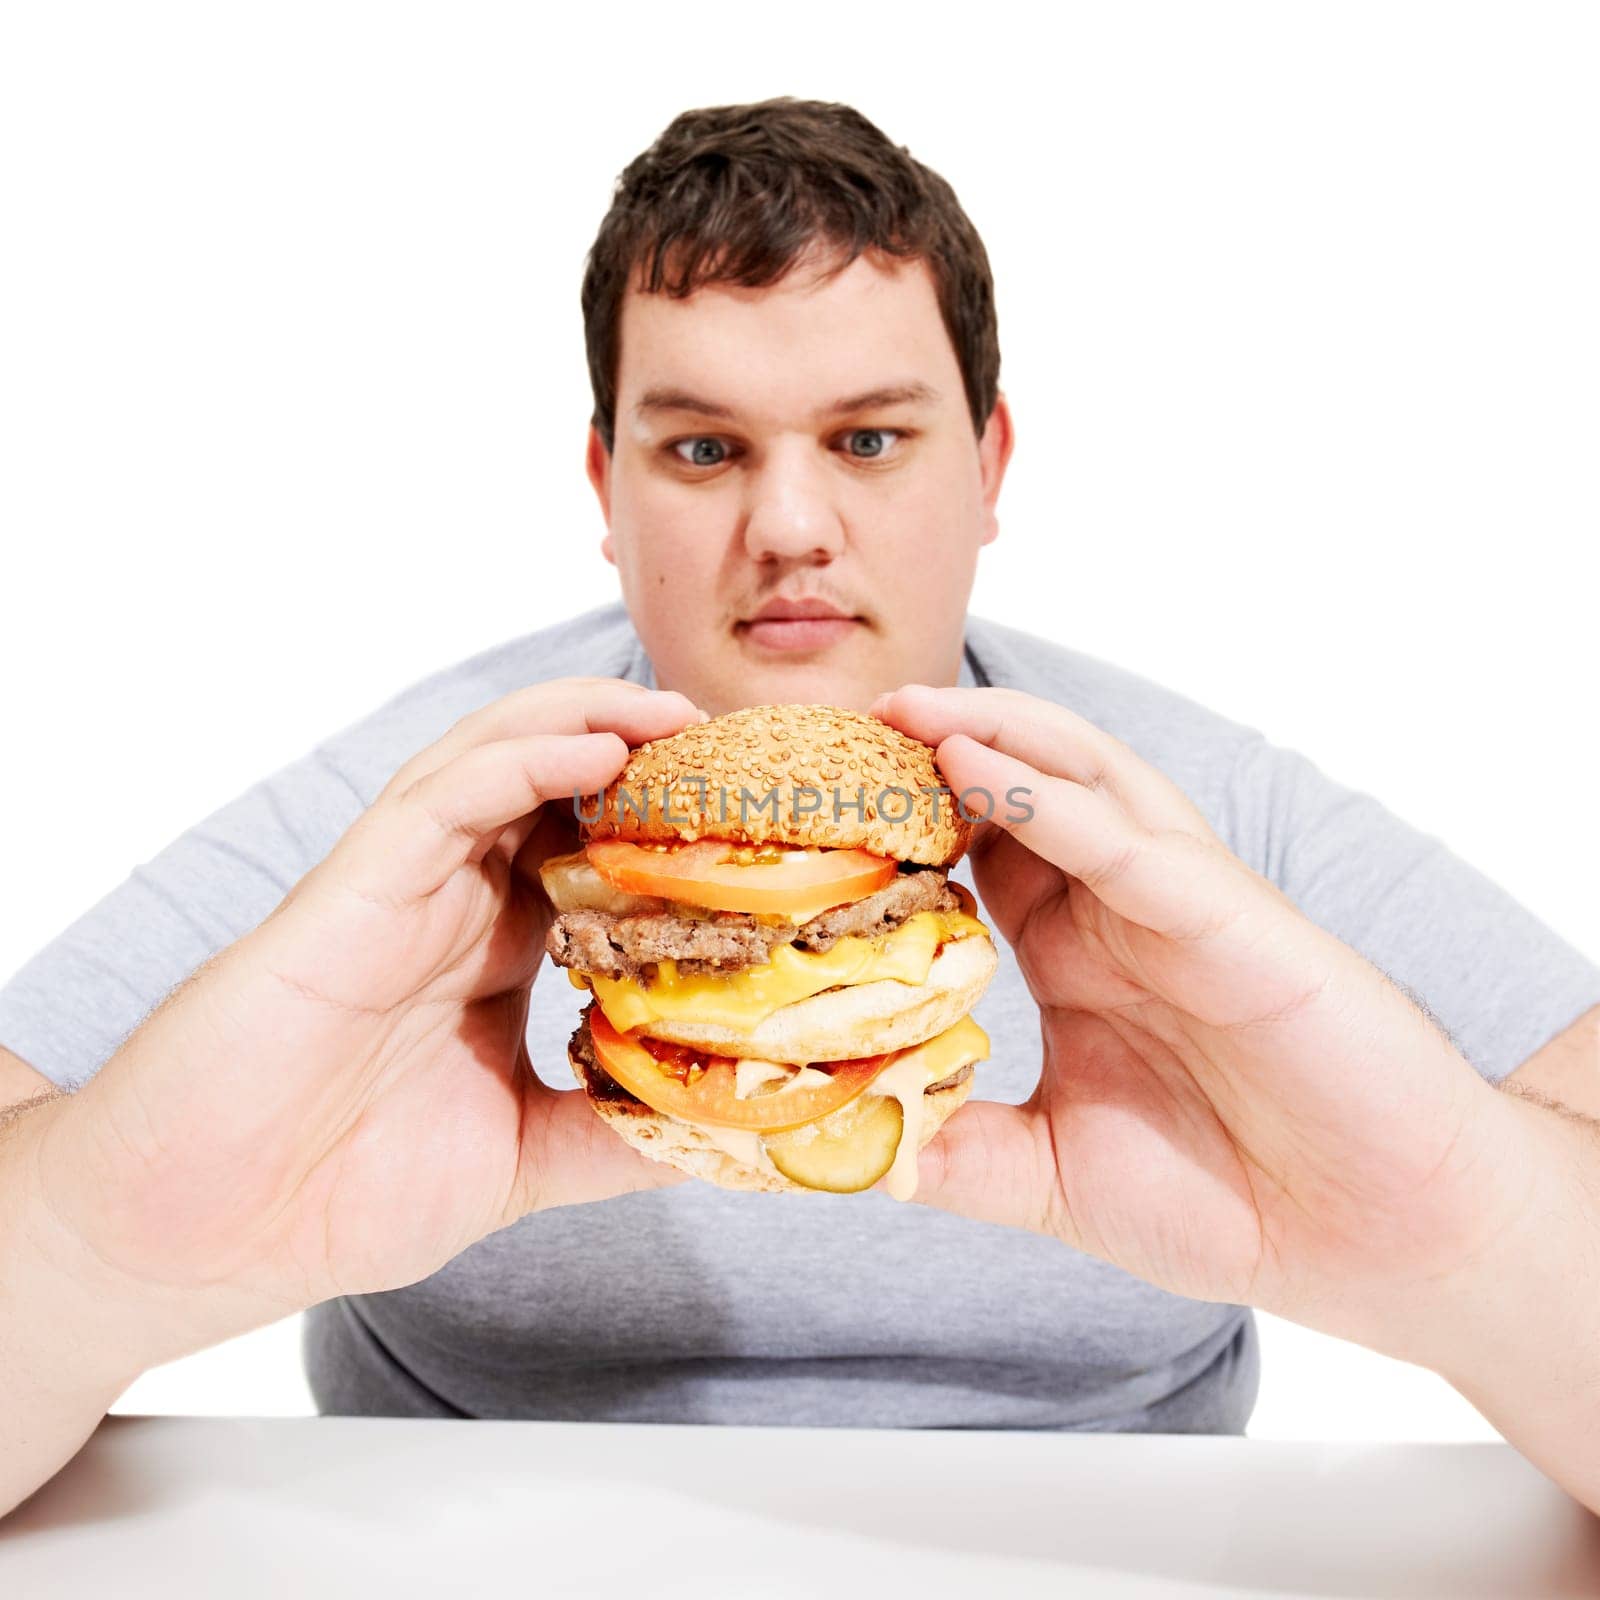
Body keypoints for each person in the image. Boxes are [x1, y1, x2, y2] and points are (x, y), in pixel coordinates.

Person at [2, 97, 1598, 1519]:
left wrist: (1465, 1249)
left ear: (989, 466)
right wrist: (96, 1260)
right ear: (604, 491)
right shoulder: (421, 831)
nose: (789, 525)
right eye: (702, 447)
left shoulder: (1189, 824)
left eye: (870, 440)